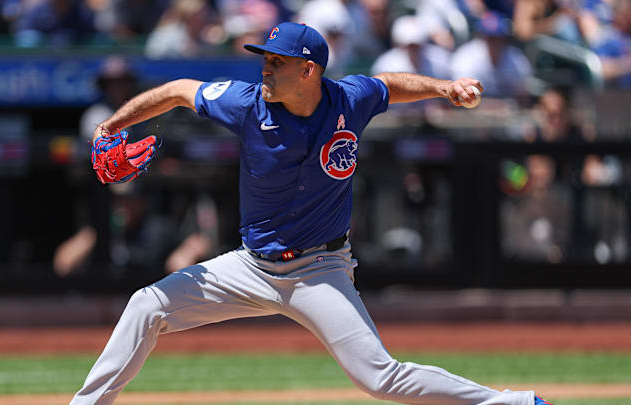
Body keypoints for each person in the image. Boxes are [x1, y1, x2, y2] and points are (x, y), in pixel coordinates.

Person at [69, 22, 552, 405]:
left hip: (320, 271)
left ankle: (513, 404)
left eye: (276, 62)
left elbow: (391, 85)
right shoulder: (245, 104)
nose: (265, 69)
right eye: (265, 59)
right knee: (146, 305)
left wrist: (445, 87)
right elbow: (177, 89)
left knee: (380, 378)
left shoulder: (348, 99)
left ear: (308, 71)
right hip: (250, 266)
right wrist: (110, 126)